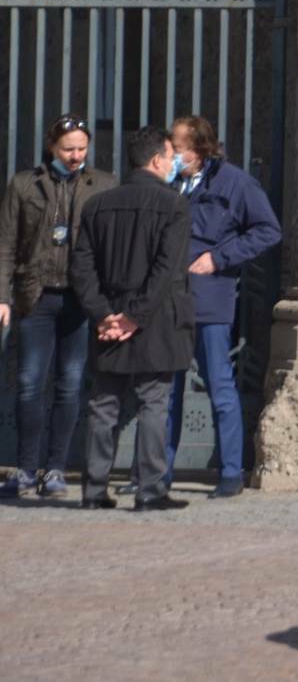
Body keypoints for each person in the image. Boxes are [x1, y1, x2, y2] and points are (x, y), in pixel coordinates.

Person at [153, 114, 279, 499]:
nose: (170, 152)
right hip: (169, 298)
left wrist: (219, 258)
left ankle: (230, 472)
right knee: (166, 390)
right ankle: (159, 472)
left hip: (211, 296)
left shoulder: (235, 183)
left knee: (220, 385)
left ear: (198, 149)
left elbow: (268, 230)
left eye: (177, 146)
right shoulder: (168, 182)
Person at [69, 125, 194, 511]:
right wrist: (134, 317)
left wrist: (104, 314)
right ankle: (150, 488)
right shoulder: (173, 205)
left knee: (104, 403)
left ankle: (93, 489)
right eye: (171, 155)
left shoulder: (97, 205)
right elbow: (165, 270)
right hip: (154, 318)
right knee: (153, 402)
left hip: (110, 318)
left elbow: (81, 268)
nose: (174, 162)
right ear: (157, 160)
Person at [0, 114, 116, 499]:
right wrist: (3, 294)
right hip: (36, 295)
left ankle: (55, 469)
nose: (76, 155)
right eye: (68, 149)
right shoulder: (24, 184)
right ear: (52, 146)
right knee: (30, 383)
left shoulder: (102, 184)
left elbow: (110, 246)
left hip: (79, 299)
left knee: (69, 385)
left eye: (82, 148)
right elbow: (6, 243)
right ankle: (26, 467)